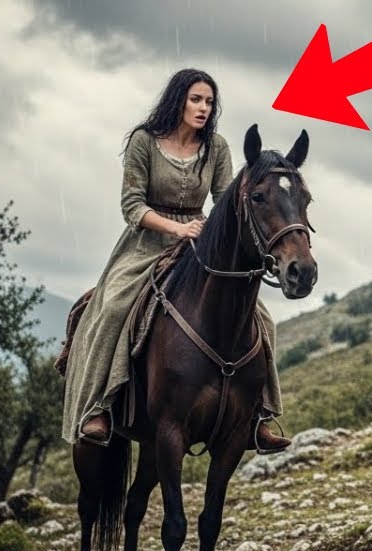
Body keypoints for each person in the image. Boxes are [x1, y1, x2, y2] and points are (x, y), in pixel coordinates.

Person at [59, 68, 288, 452]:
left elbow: (227, 202)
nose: (203, 108)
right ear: (178, 99)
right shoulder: (144, 142)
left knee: (261, 318)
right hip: (144, 245)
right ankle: (99, 407)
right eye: (196, 99)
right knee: (113, 306)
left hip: (199, 248)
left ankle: (259, 415)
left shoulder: (217, 148)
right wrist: (176, 228)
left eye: (209, 102)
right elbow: (131, 205)